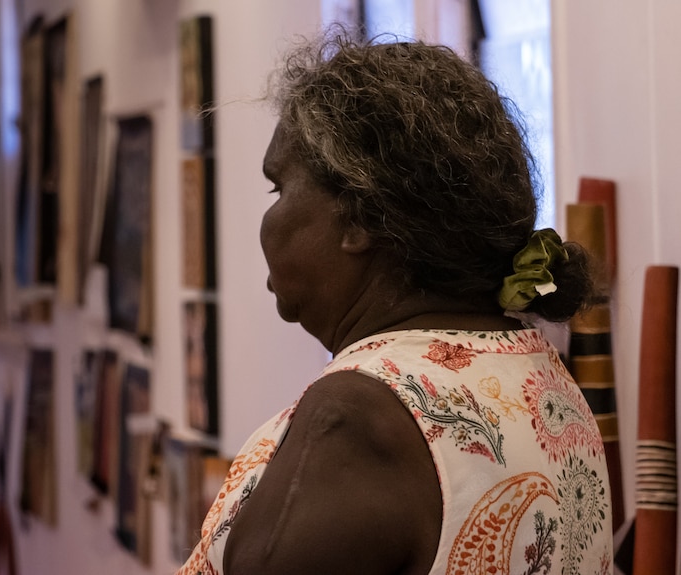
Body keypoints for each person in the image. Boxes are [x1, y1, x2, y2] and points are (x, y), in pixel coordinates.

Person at [178, 31, 613, 575]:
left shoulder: (354, 421)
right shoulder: (543, 377)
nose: (266, 219)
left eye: (278, 189)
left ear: (361, 218)